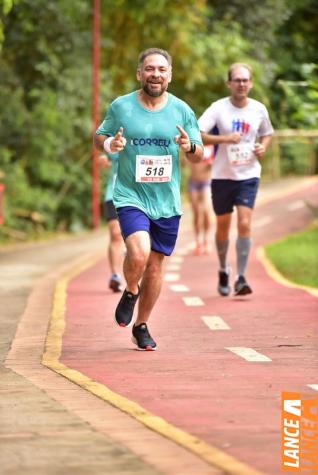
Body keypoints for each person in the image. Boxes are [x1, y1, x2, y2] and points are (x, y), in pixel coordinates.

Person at [94, 48, 203, 350]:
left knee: (155, 267)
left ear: (170, 74)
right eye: (150, 69)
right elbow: (98, 136)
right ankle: (131, 289)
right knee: (139, 253)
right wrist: (110, 144)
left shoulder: (182, 110)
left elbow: (198, 154)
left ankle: (141, 325)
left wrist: (188, 146)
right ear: (139, 73)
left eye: (161, 69)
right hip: (130, 195)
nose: (156, 74)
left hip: (166, 202)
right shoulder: (121, 106)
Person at [198, 62, 274, 296]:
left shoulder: (259, 109)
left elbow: (267, 133)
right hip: (222, 176)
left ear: (250, 83)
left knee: (244, 223)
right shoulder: (218, 108)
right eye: (237, 80)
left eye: (245, 80)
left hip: (248, 175)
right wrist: (225, 139)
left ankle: (241, 277)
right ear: (229, 83)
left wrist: (262, 148)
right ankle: (223, 269)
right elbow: (198, 134)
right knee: (223, 226)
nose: (241, 84)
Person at [99, 153, 124, 293]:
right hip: (114, 195)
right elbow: (104, 146)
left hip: (139, 196)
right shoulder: (117, 135)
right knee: (115, 234)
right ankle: (115, 275)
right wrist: (103, 157)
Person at [187, 145, 214, 255]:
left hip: (206, 182)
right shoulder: (192, 144)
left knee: (207, 211)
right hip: (193, 183)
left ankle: (206, 240)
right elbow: (185, 161)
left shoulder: (212, 147)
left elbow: (217, 163)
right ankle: (198, 242)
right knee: (197, 213)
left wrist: (212, 164)